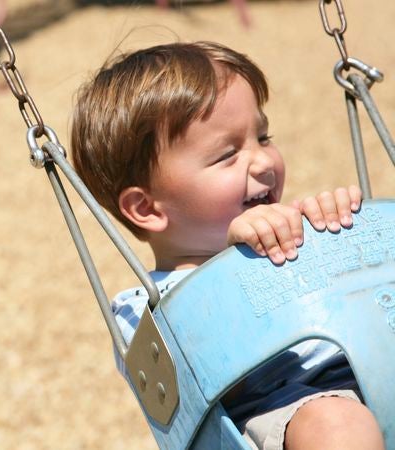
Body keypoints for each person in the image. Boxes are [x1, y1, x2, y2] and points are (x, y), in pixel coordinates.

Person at [70, 41, 383, 450]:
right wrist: (233, 266)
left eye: (264, 136)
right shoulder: (139, 310)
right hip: (285, 413)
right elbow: (178, 380)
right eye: (228, 154)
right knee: (338, 426)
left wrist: (341, 229)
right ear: (147, 208)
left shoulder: (291, 235)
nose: (264, 161)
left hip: (374, 369)